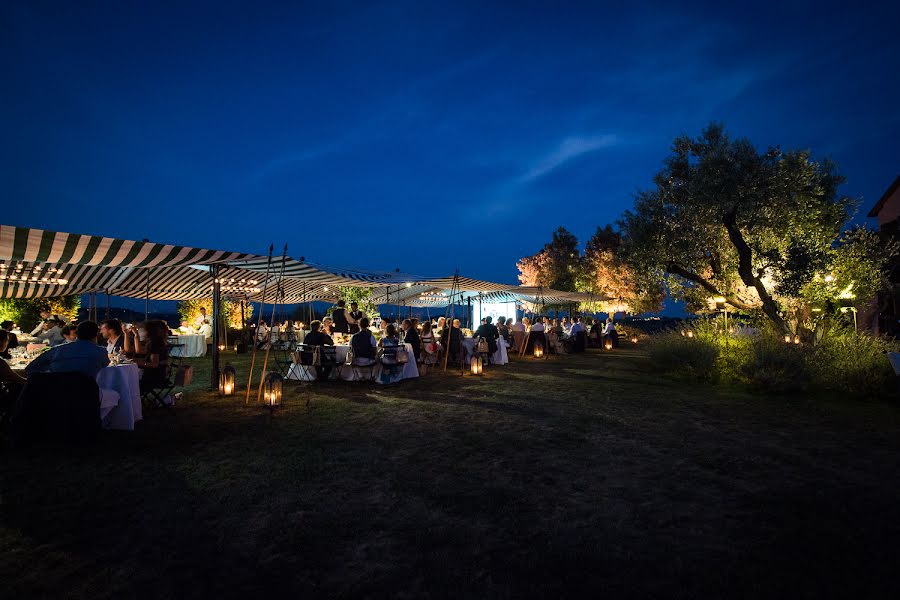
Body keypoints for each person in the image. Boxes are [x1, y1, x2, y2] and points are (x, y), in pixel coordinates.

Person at [25, 321, 110, 379]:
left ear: (77, 334)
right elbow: (105, 366)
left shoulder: (57, 350)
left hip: (57, 397)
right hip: (87, 396)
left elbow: (30, 369)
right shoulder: (101, 352)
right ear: (96, 334)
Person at [126, 320, 170, 394]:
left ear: (150, 331)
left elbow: (154, 364)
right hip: (157, 374)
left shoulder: (156, 343)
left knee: (127, 382)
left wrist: (137, 362)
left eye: (144, 329)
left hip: (154, 377)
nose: (142, 331)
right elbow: (140, 352)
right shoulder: (155, 341)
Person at [0, 330, 27, 415]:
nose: (7, 343)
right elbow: (16, 378)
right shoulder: (1, 363)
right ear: (1, 342)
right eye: (7, 340)